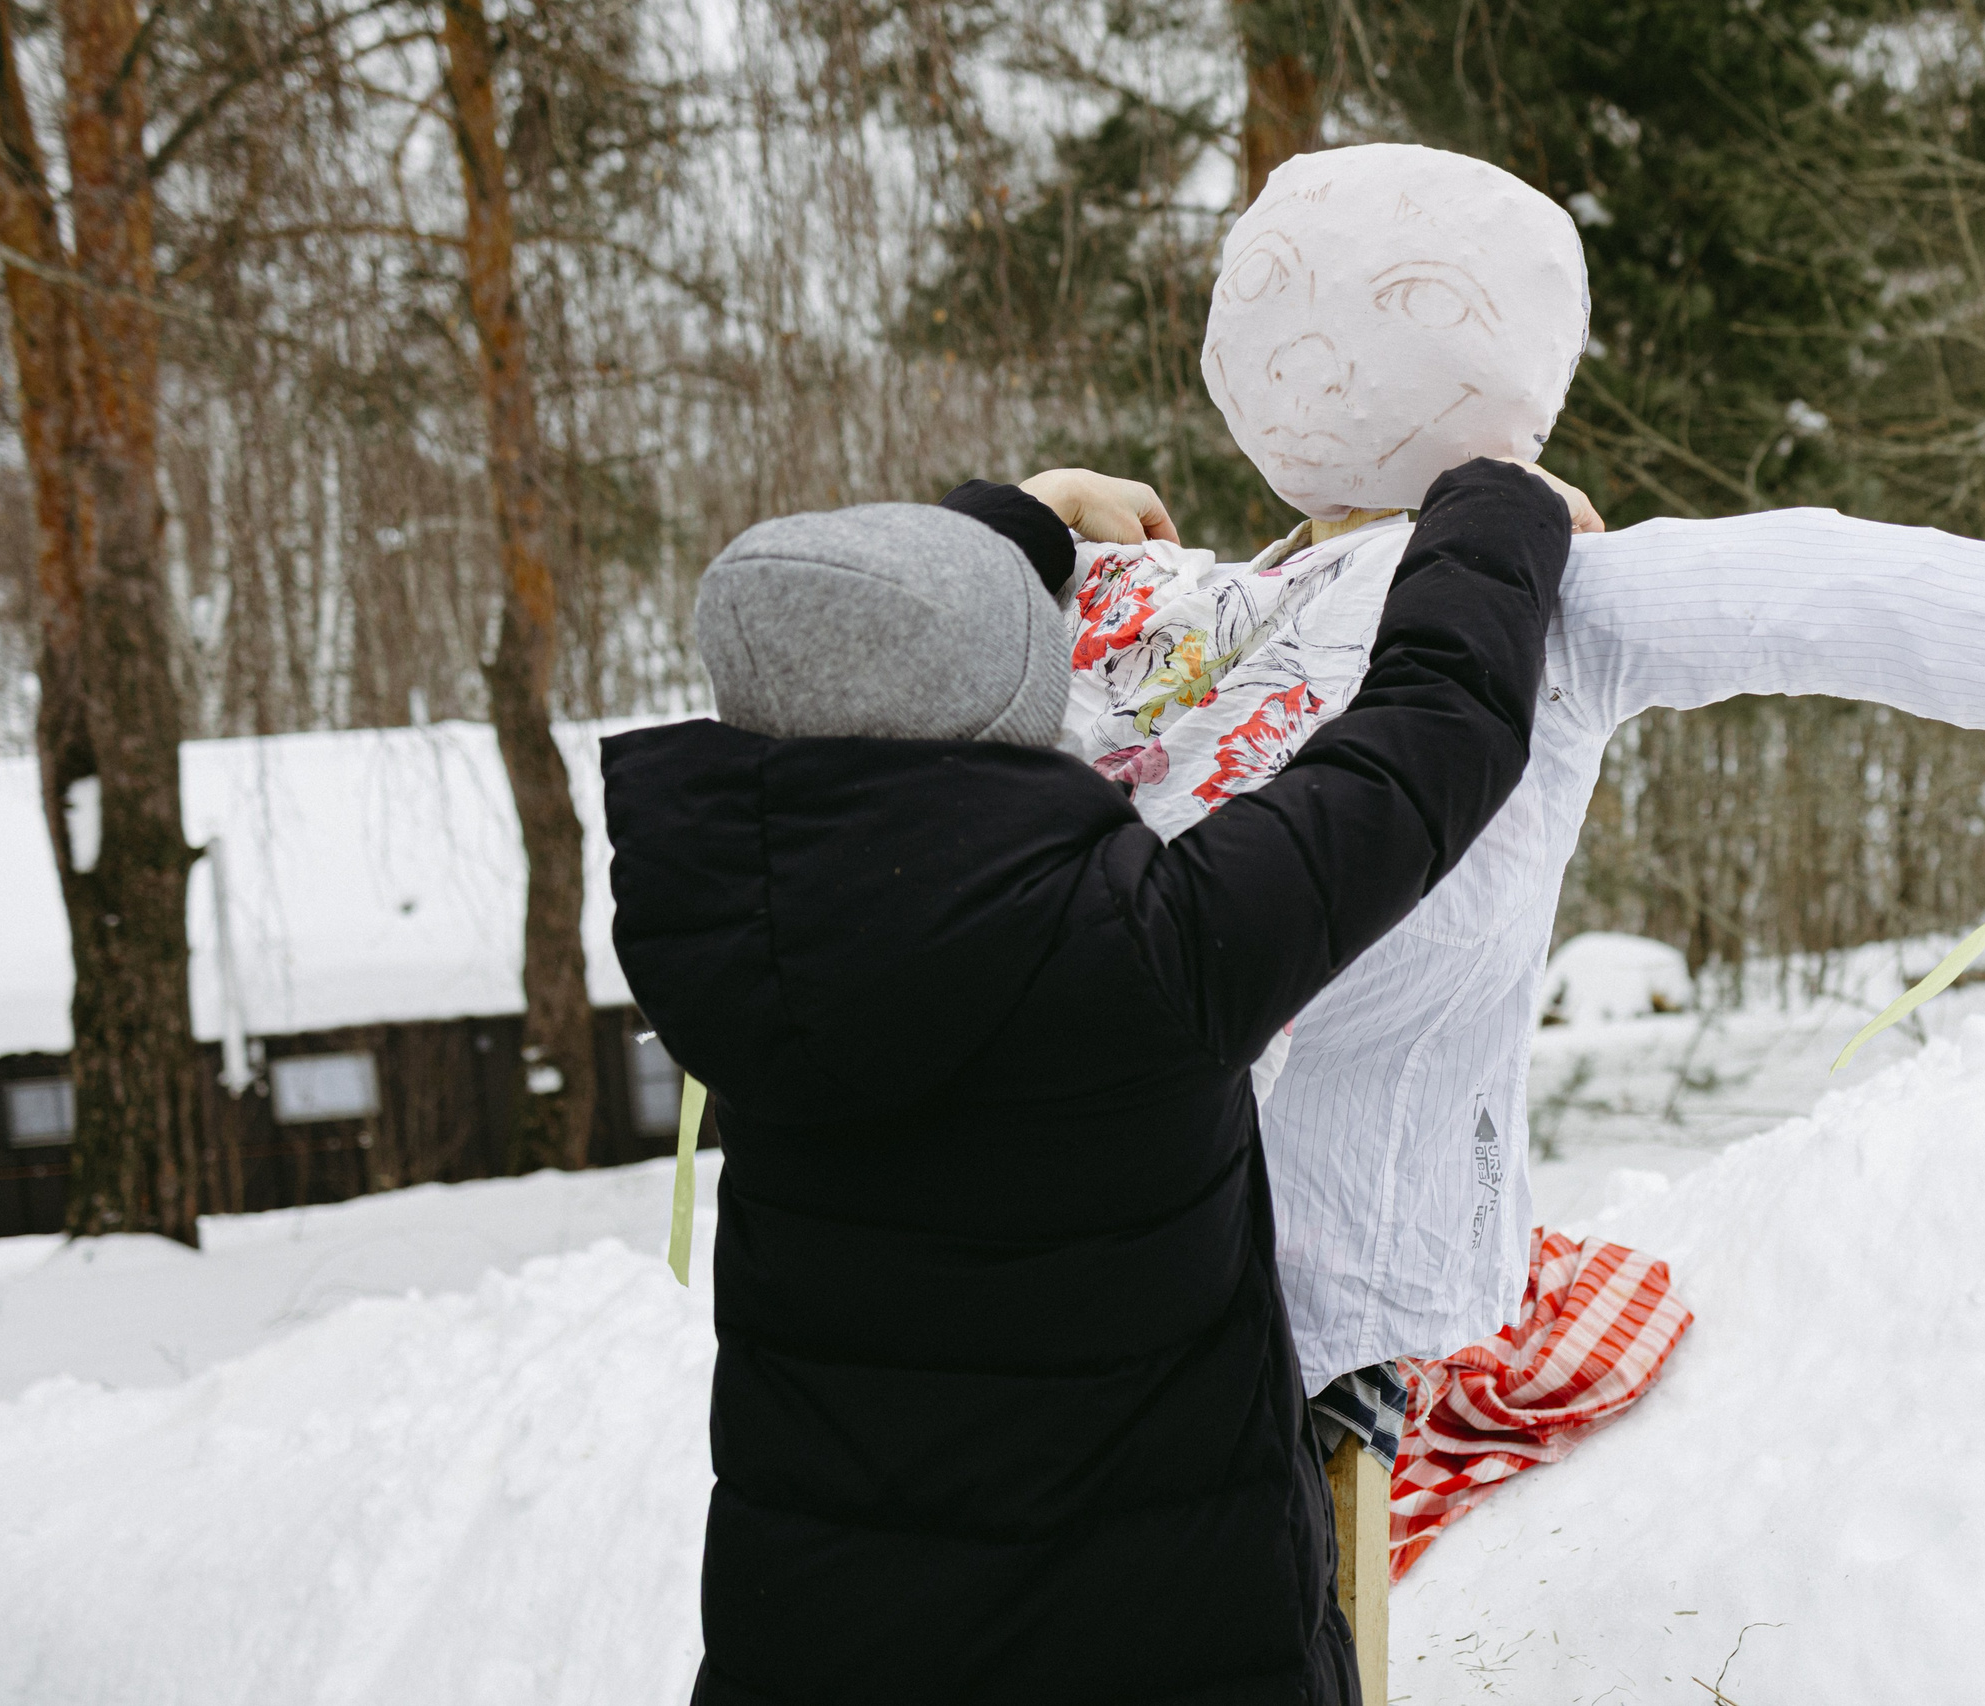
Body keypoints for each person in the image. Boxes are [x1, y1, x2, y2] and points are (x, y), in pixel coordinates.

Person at [1054, 142, 1985, 1435]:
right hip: (1340, 1256)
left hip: (1064, 1221)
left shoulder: (1118, 594)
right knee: (1289, 1564)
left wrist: (1023, 521)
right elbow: (1822, 590)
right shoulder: (1542, 599)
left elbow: (859, 642)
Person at [603, 454, 1585, 1704]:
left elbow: (866, 658)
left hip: (821, 1646)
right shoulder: (1145, 951)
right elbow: (1424, 742)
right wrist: (1493, 506)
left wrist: (1026, 515)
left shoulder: (738, 940)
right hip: (1163, 1646)